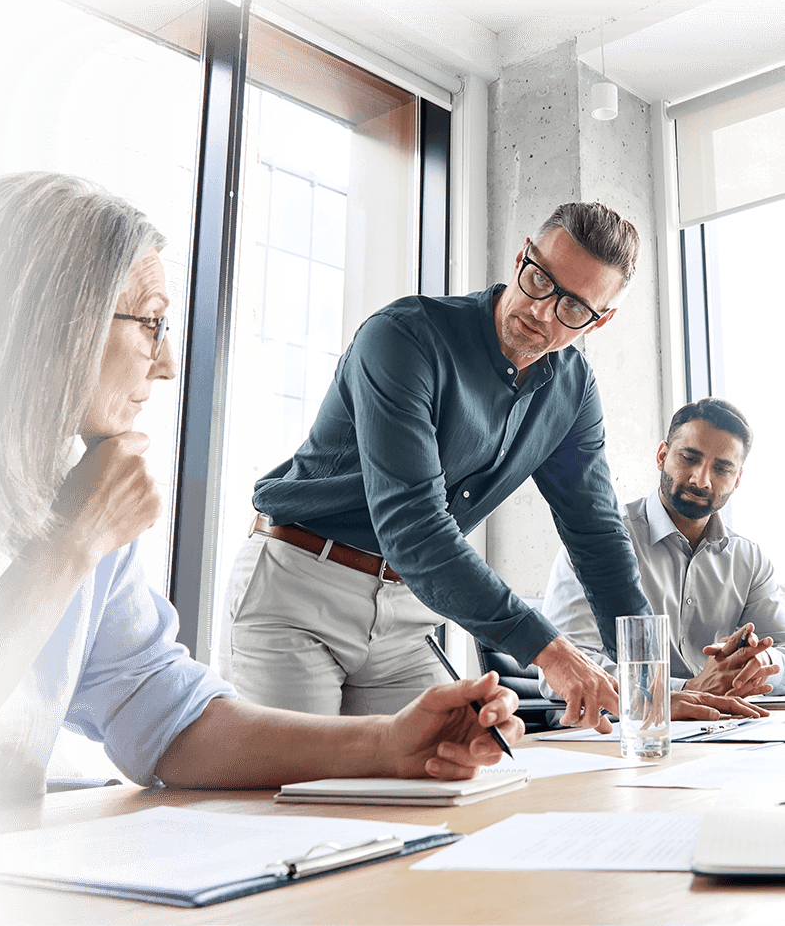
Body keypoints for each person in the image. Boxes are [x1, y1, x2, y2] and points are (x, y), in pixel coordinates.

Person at [0, 172, 524, 821]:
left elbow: (162, 714)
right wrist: (72, 543)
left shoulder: (75, 482)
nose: (169, 363)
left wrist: (389, 743)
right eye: (151, 324)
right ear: (61, 323)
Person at [228, 201, 756, 733]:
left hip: (405, 612)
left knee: (443, 781)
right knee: (293, 796)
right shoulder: (404, 338)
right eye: (539, 280)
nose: (543, 312)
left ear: (602, 320)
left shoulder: (571, 390)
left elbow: (597, 538)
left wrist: (650, 683)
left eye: (575, 308)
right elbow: (415, 527)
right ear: (522, 256)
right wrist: (551, 651)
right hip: (300, 586)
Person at [540, 399, 781, 712]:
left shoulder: (751, 559)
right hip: (623, 731)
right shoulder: (598, 540)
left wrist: (763, 662)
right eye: (689, 458)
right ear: (662, 455)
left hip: (723, 726)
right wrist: (685, 690)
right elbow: (564, 670)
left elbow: (781, 646)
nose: (701, 480)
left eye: (722, 469)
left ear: (737, 480)